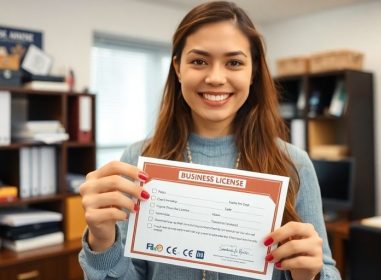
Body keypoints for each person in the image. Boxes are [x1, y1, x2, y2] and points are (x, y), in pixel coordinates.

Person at [79, 1, 341, 280]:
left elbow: (325, 270)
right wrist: (102, 240)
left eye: (234, 62)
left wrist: (309, 274)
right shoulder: (138, 159)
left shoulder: (293, 164)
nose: (216, 78)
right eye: (199, 61)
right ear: (178, 67)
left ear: (253, 72)